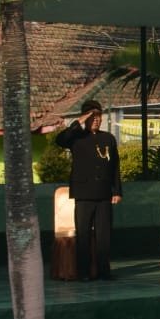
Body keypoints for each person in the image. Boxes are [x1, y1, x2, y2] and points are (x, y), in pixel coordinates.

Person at [54, 99, 120, 280]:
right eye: (93, 117)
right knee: (83, 234)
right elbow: (60, 140)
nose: (97, 120)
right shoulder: (76, 138)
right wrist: (80, 121)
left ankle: (103, 271)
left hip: (104, 193)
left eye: (99, 116)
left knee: (104, 235)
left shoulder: (108, 138)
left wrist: (117, 191)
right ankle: (83, 272)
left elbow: (115, 166)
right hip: (83, 194)